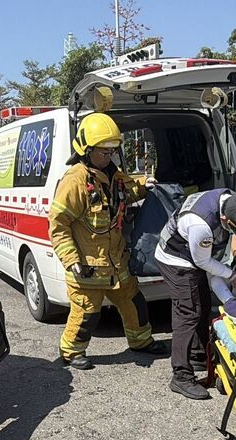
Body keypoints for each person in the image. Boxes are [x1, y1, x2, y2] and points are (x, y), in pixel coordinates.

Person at [49, 112, 167, 370]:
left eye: (112, 151)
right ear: (86, 150)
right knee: (87, 314)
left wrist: (145, 185)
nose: (109, 156)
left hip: (117, 263)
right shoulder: (75, 181)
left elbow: (127, 193)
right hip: (89, 268)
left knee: (135, 304)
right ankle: (71, 352)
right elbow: (58, 226)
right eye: (104, 152)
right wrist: (72, 261)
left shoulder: (113, 176)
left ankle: (141, 342)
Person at [155, 189, 236, 400]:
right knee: (188, 312)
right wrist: (233, 275)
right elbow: (202, 262)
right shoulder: (201, 225)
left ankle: (198, 355)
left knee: (203, 305)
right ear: (225, 219)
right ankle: (181, 375)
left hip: (192, 254)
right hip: (176, 258)